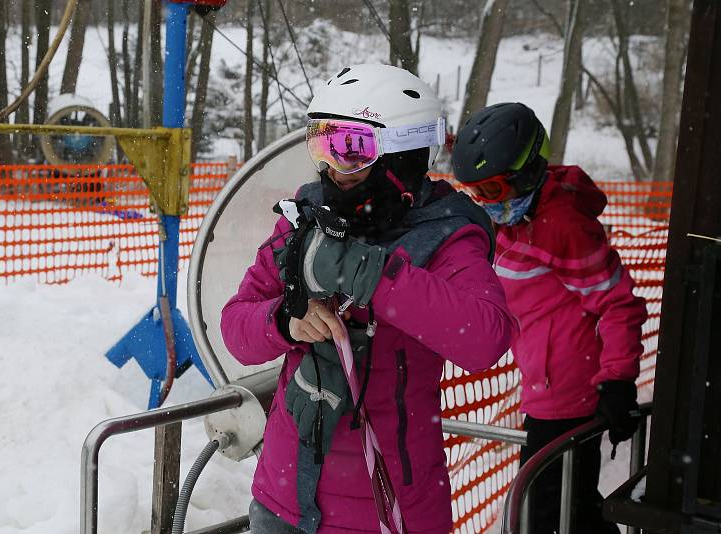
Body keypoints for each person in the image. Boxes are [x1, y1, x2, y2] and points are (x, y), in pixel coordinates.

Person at [221, 64, 518, 534]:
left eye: (351, 150)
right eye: (322, 144)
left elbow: (484, 337)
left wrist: (372, 274)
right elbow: (235, 326)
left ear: (401, 156)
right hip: (283, 501)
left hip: (386, 513)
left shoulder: (444, 235)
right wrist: (284, 322)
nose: (331, 169)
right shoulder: (307, 218)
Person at [451, 102, 648, 533]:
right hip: (543, 385)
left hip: (568, 396)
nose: (483, 204)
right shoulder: (516, 218)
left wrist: (618, 380)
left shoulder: (562, 226)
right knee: (568, 507)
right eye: (475, 192)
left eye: (491, 191)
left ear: (524, 175)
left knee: (544, 514)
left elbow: (618, 304)